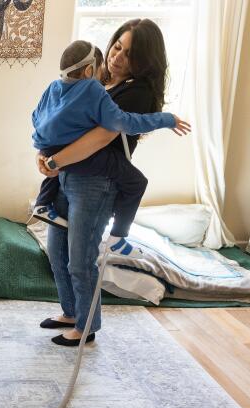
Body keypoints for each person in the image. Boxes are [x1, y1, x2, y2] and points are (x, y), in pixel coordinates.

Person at [35, 19, 188, 346]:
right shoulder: (93, 83)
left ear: (145, 62)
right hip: (67, 176)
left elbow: (101, 137)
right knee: (56, 250)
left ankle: (87, 327)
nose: (118, 57)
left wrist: (54, 161)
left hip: (96, 184)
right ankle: (72, 312)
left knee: (80, 258)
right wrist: (44, 154)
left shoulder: (137, 92)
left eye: (130, 54)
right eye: (117, 47)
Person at [30, 40, 190, 258]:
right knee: (137, 182)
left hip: (46, 146)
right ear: (89, 70)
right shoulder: (93, 89)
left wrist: (47, 146)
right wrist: (166, 119)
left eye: (129, 53)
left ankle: (42, 203)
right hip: (82, 163)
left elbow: (35, 117)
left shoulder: (53, 87)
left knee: (55, 168)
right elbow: (127, 123)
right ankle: (117, 238)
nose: (113, 60)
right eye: (116, 48)